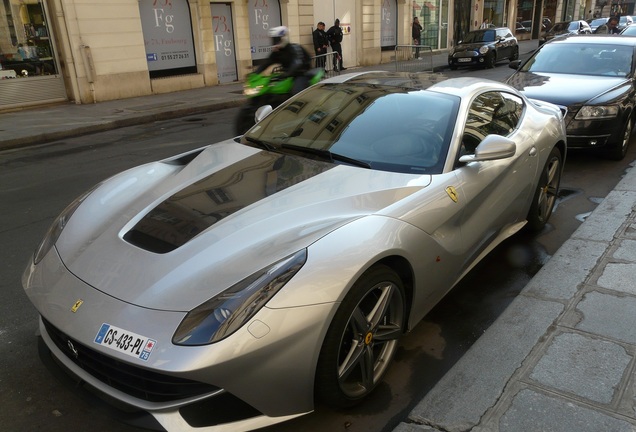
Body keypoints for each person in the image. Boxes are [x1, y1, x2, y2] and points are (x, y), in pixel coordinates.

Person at [255, 26, 312, 95]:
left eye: (276, 39)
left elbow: (296, 63)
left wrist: (286, 74)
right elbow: (267, 62)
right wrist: (255, 73)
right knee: (269, 89)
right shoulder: (277, 52)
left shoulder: (294, 48)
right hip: (285, 75)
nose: (274, 42)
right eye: (273, 39)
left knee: (296, 93)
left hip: (300, 75)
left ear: (283, 38)